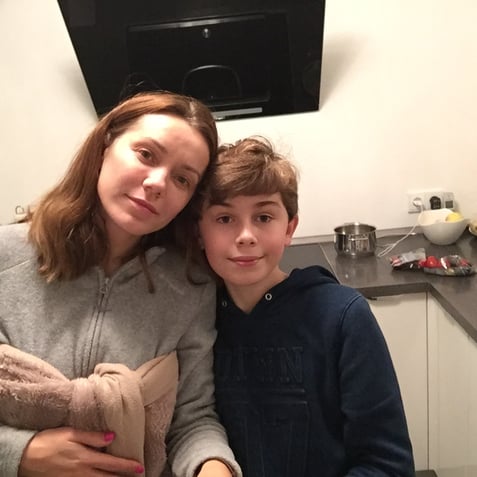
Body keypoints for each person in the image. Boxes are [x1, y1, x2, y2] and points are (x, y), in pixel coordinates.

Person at [0, 91, 241, 477]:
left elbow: (193, 420)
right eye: (146, 154)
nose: (158, 183)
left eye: (182, 179)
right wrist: (20, 454)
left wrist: (214, 467)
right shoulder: (6, 256)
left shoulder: (191, 287)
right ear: (105, 145)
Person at [196, 136, 415, 476]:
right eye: (224, 219)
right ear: (198, 232)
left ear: (289, 228)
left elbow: (387, 463)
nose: (246, 235)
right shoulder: (192, 323)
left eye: (263, 217)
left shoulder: (342, 317)